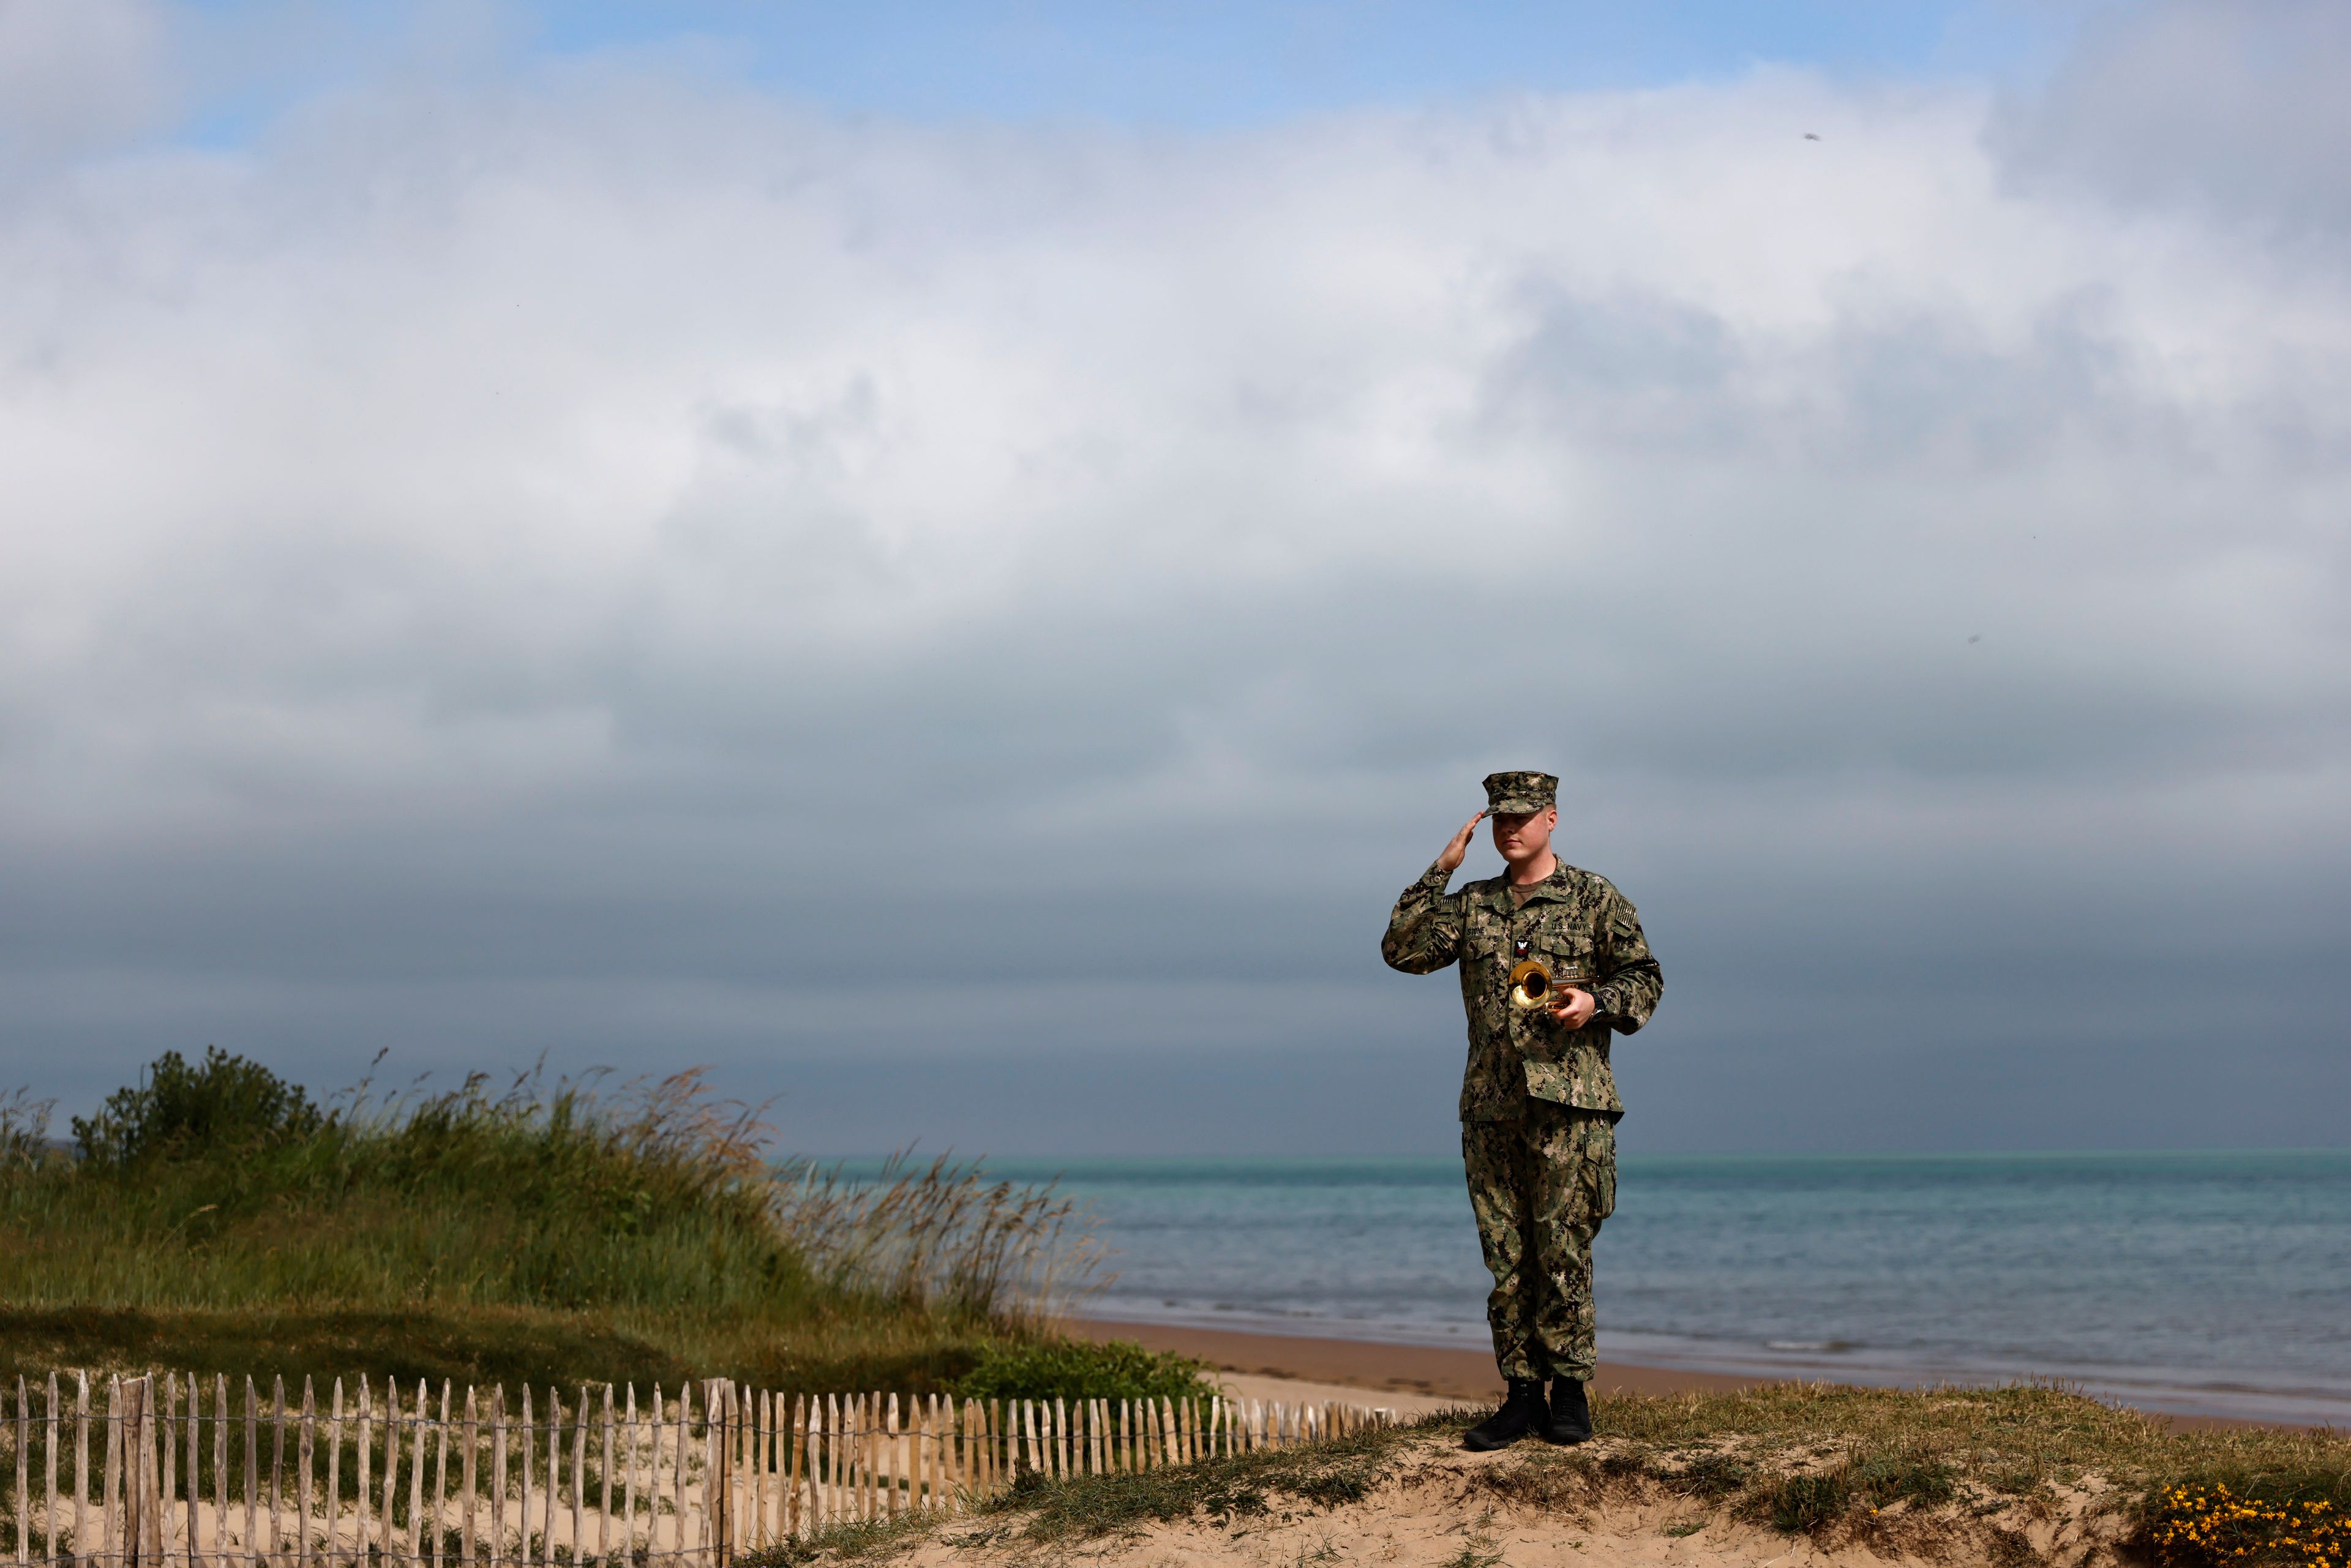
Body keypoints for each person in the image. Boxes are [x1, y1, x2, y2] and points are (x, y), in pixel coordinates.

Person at [1381, 770, 1663, 1449]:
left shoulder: (1595, 897)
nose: (1510, 829)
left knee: (1563, 1249)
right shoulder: (1473, 904)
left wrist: (1596, 1002)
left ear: (1552, 819)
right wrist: (1438, 871)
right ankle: (1519, 1396)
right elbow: (1401, 950)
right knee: (1507, 1257)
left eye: (1523, 817)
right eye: (1499, 819)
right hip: (1492, 1106)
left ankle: (1568, 1393)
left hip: (1571, 1104)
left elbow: (1644, 977)